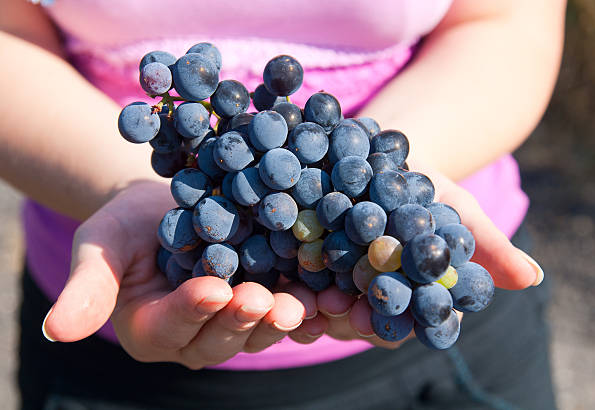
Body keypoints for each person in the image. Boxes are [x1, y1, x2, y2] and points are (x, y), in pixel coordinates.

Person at [0, 0, 565, 408]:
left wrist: (389, 176)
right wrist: (119, 184)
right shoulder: (203, 151)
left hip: (443, 337)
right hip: (118, 359)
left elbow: (504, 19)